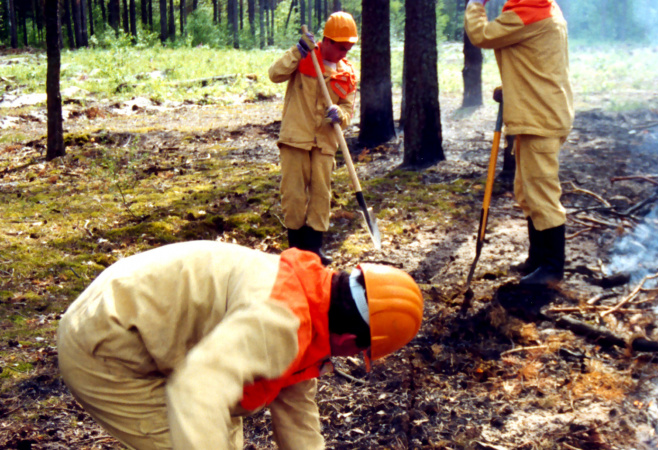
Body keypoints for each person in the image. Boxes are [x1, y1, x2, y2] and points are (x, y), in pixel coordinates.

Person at [57, 241, 424, 449]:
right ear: (349, 339)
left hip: (142, 326)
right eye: (360, 353)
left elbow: (298, 419)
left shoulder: (312, 303)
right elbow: (195, 391)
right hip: (105, 342)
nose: (352, 357)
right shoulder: (281, 321)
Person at [465, 0, 574, 286]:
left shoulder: (527, 12)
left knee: (542, 194)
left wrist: (475, 4)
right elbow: (535, 57)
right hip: (538, 112)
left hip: (540, 117)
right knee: (527, 191)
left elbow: (481, 35)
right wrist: (513, 87)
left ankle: (552, 268)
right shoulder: (545, 7)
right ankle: (538, 258)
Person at [268, 11, 359, 266]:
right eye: (341, 47)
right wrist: (297, 50)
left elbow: (348, 109)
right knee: (294, 196)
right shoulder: (305, 57)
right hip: (295, 138)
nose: (345, 53)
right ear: (327, 40)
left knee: (321, 196)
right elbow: (274, 74)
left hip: (325, 143)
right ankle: (295, 251)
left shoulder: (347, 72)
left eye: (349, 48)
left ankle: (314, 250)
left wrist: (340, 114)